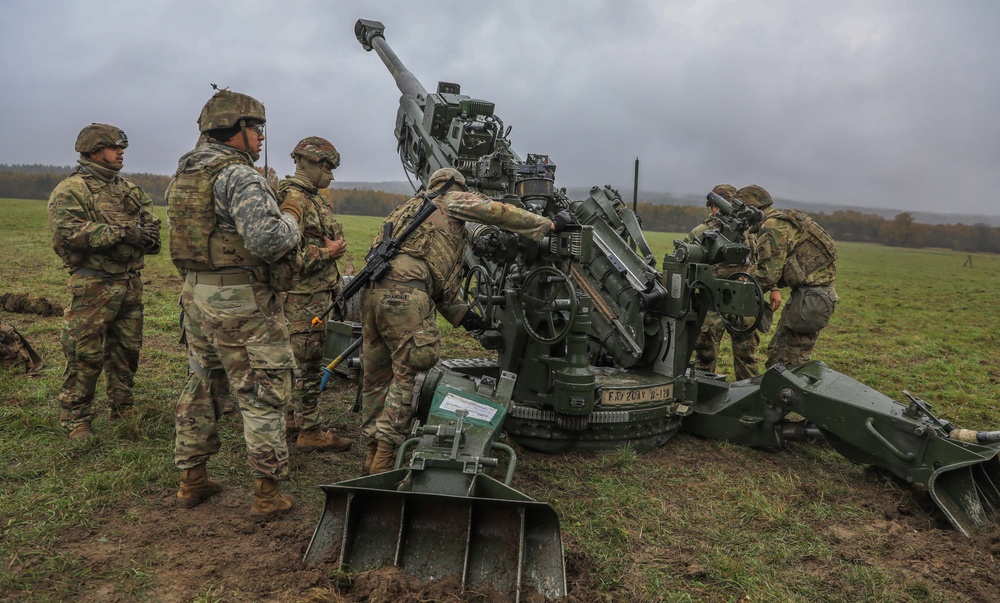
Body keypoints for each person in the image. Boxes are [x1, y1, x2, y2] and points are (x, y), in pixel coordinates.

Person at [361, 167, 576, 474]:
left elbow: (439, 284)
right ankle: (384, 458)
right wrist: (549, 224)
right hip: (405, 297)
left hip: (371, 295)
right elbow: (496, 212)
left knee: (375, 377)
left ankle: (371, 449)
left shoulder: (408, 211)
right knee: (408, 371)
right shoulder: (450, 199)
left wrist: (469, 320)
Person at [167, 88, 302, 515]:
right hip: (240, 300)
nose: (261, 137)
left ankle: (192, 480)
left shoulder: (184, 174)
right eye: (255, 128)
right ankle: (267, 495)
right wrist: (292, 214)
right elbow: (267, 239)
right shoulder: (238, 175)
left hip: (195, 293)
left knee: (202, 384)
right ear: (234, 130)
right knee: (263, 390)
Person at [48, 123, 161, 440]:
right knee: (85, 355)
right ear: (95, 151)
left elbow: (151, 226)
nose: (121, 151)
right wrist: (124, 233)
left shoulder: (129, 190)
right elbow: (68, 233)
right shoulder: (71, 190)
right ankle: (76, 418)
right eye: (115, 147)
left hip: (129, 284)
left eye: (122, 147)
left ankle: (123, 409)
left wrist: (149, 238)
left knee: (126, 353)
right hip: (93, 286)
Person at [277, 137, 353, 452]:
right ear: (308, 163)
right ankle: (309, 430)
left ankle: (293, 420)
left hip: (315, 296)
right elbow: (283, 251)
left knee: (302, 362)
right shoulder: (293, 199)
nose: (331, 175)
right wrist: (327, 252)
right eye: (327, 167)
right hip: (301, 299)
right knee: (306, 366)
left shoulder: (314, 198)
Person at [737, 185, 838, 369]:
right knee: (781, 357)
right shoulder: (781, 220)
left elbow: (768, 275)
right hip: (812, 298)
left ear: (751, 210)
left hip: (810, 300)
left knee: (784, 364)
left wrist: (739, 290)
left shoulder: (772, 226)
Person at [684, 184, 760, 380]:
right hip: (711, 299)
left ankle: (747, 395)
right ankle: (704, 392)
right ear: (712, 206)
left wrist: (774, 288)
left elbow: (761, 263)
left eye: (725, 204)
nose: (719, 210)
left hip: (741, 298)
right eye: (718, 205)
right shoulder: (701, 232)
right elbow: (685, 261)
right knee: (705, 351)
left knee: (747, 352)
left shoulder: (746, 234)